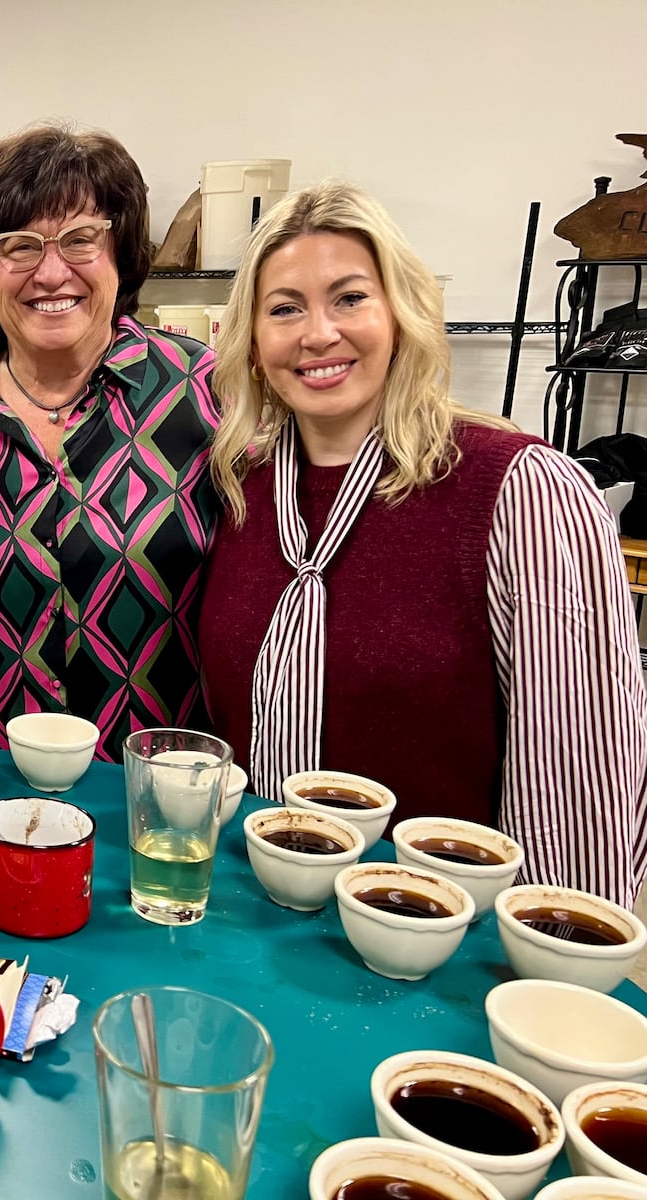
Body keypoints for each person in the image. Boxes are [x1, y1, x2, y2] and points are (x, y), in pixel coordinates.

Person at [199, 179, 647, 905]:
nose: (318, 333)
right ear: (252, 345)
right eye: (285, 309)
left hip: (440, 950)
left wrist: (552, 966)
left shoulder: (518, 492)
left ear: (402, 315)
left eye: (349, 298)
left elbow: (580, 781)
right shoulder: (240, 496)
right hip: (258, 920)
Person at [0, 124, 219, 762]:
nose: (52, 272)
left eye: (81, 239)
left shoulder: (204, 395)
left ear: (120, 253)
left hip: (156, 802)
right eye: (20, 245)